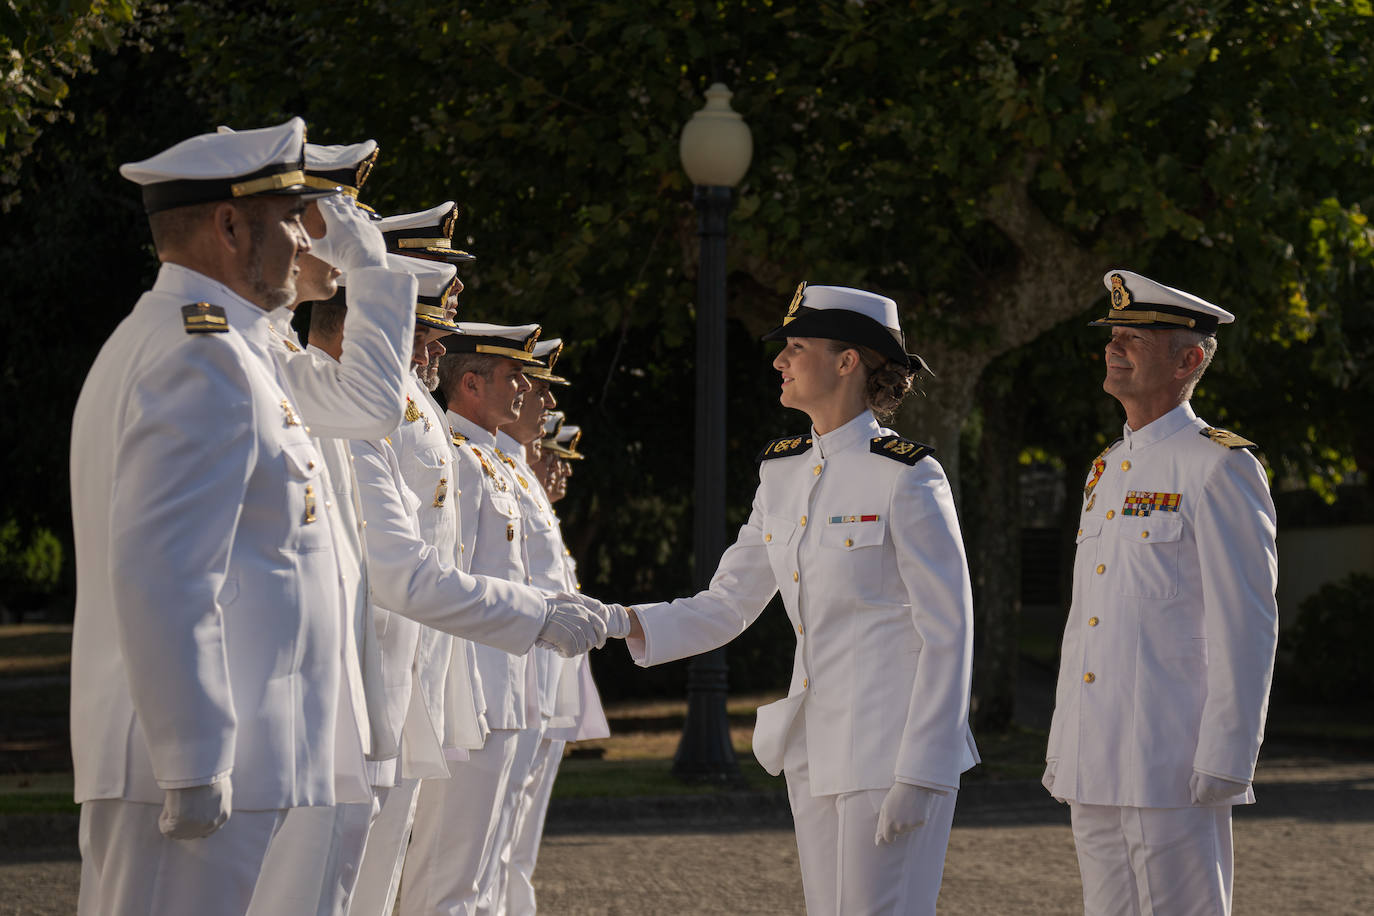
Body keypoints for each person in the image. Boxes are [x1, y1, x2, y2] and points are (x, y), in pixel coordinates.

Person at [585, 284, 980, 916]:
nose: (779, 361)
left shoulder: (907, 475)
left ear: (847, 360)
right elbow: (729, 601)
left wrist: (924, 769)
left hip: (889, 749)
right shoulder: (784, 470)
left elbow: (949, 631)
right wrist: (618, 621)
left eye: (795, 347)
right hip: (815, 745)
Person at [69, 118, 369, 915]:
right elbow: (164, 574)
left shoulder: (219, 347)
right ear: (230, 226)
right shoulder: (202, 357)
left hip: (233, 762)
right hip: (197, 768)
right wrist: (194, 760)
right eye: (289, 222)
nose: (307, 242)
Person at [1042, 269, 1279, 916]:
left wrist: (1229, 753)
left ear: (1190, 359)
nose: (1114, 347)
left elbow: (1247, 624)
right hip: (1096, 753)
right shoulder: (1107, 468)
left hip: (1172, 757)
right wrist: (1066, 740)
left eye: (1134, 338)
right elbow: (1087, 619)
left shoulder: (1220, 466)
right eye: (1113, 335)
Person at [400, 323, 550, 916]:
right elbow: (446, 584)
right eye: (513, 376)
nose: (524, 389)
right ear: (470, 383)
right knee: (447, 873)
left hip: (504, 688)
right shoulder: (460, 461)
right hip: (470, 693)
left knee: (481, 869)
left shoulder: (488, 460)